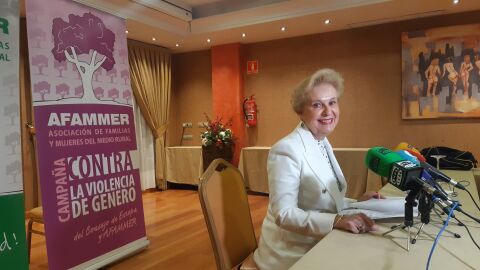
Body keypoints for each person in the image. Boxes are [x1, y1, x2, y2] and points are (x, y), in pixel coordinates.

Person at [253, 68, 383, 270]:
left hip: (318, 238)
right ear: (300, 111)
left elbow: (323, 200)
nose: (328, 111)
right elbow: (284, 214)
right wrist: (337, 220)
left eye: (332, 102)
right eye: (317, 105)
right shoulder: (286, 149)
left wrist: (357, 202)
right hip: (292, 251)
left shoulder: (322, 141)